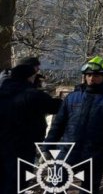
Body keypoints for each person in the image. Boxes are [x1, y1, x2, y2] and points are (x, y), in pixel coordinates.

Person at [46, 56, 103, 194]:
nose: (91, 78)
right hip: (68, 152)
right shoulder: (72, 97)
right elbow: (58, 124)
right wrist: (48, 146)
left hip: (96, 153)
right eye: (88, 75)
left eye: (96, 75)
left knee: (89, 190)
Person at [0, 64, 62, 194]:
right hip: (23, 145)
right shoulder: (32, 94)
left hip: (4, 141)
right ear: (30, 77)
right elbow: (55, 106)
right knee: (18, 181)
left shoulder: (3, 91)